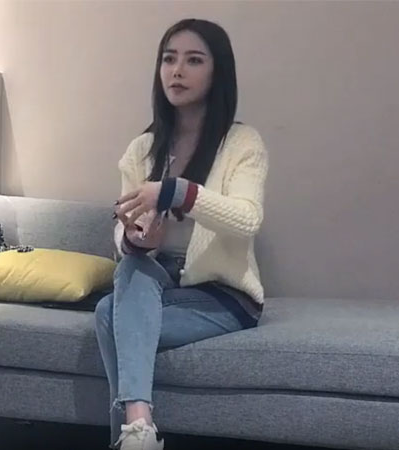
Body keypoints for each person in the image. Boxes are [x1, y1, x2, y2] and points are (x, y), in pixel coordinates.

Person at [94, 18, 269, 450]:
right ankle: (140, 431)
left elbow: (248, 218)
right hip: (159, 284)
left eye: (193, 61)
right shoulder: (142, 149)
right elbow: (122, 230)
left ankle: (130, 437)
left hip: (222, 297)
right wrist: (135, 240)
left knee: (109, 316)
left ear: (217, 72)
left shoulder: (242, 143)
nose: (177, 71)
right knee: (130, 270)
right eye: (169, 59)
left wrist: (176, 191)